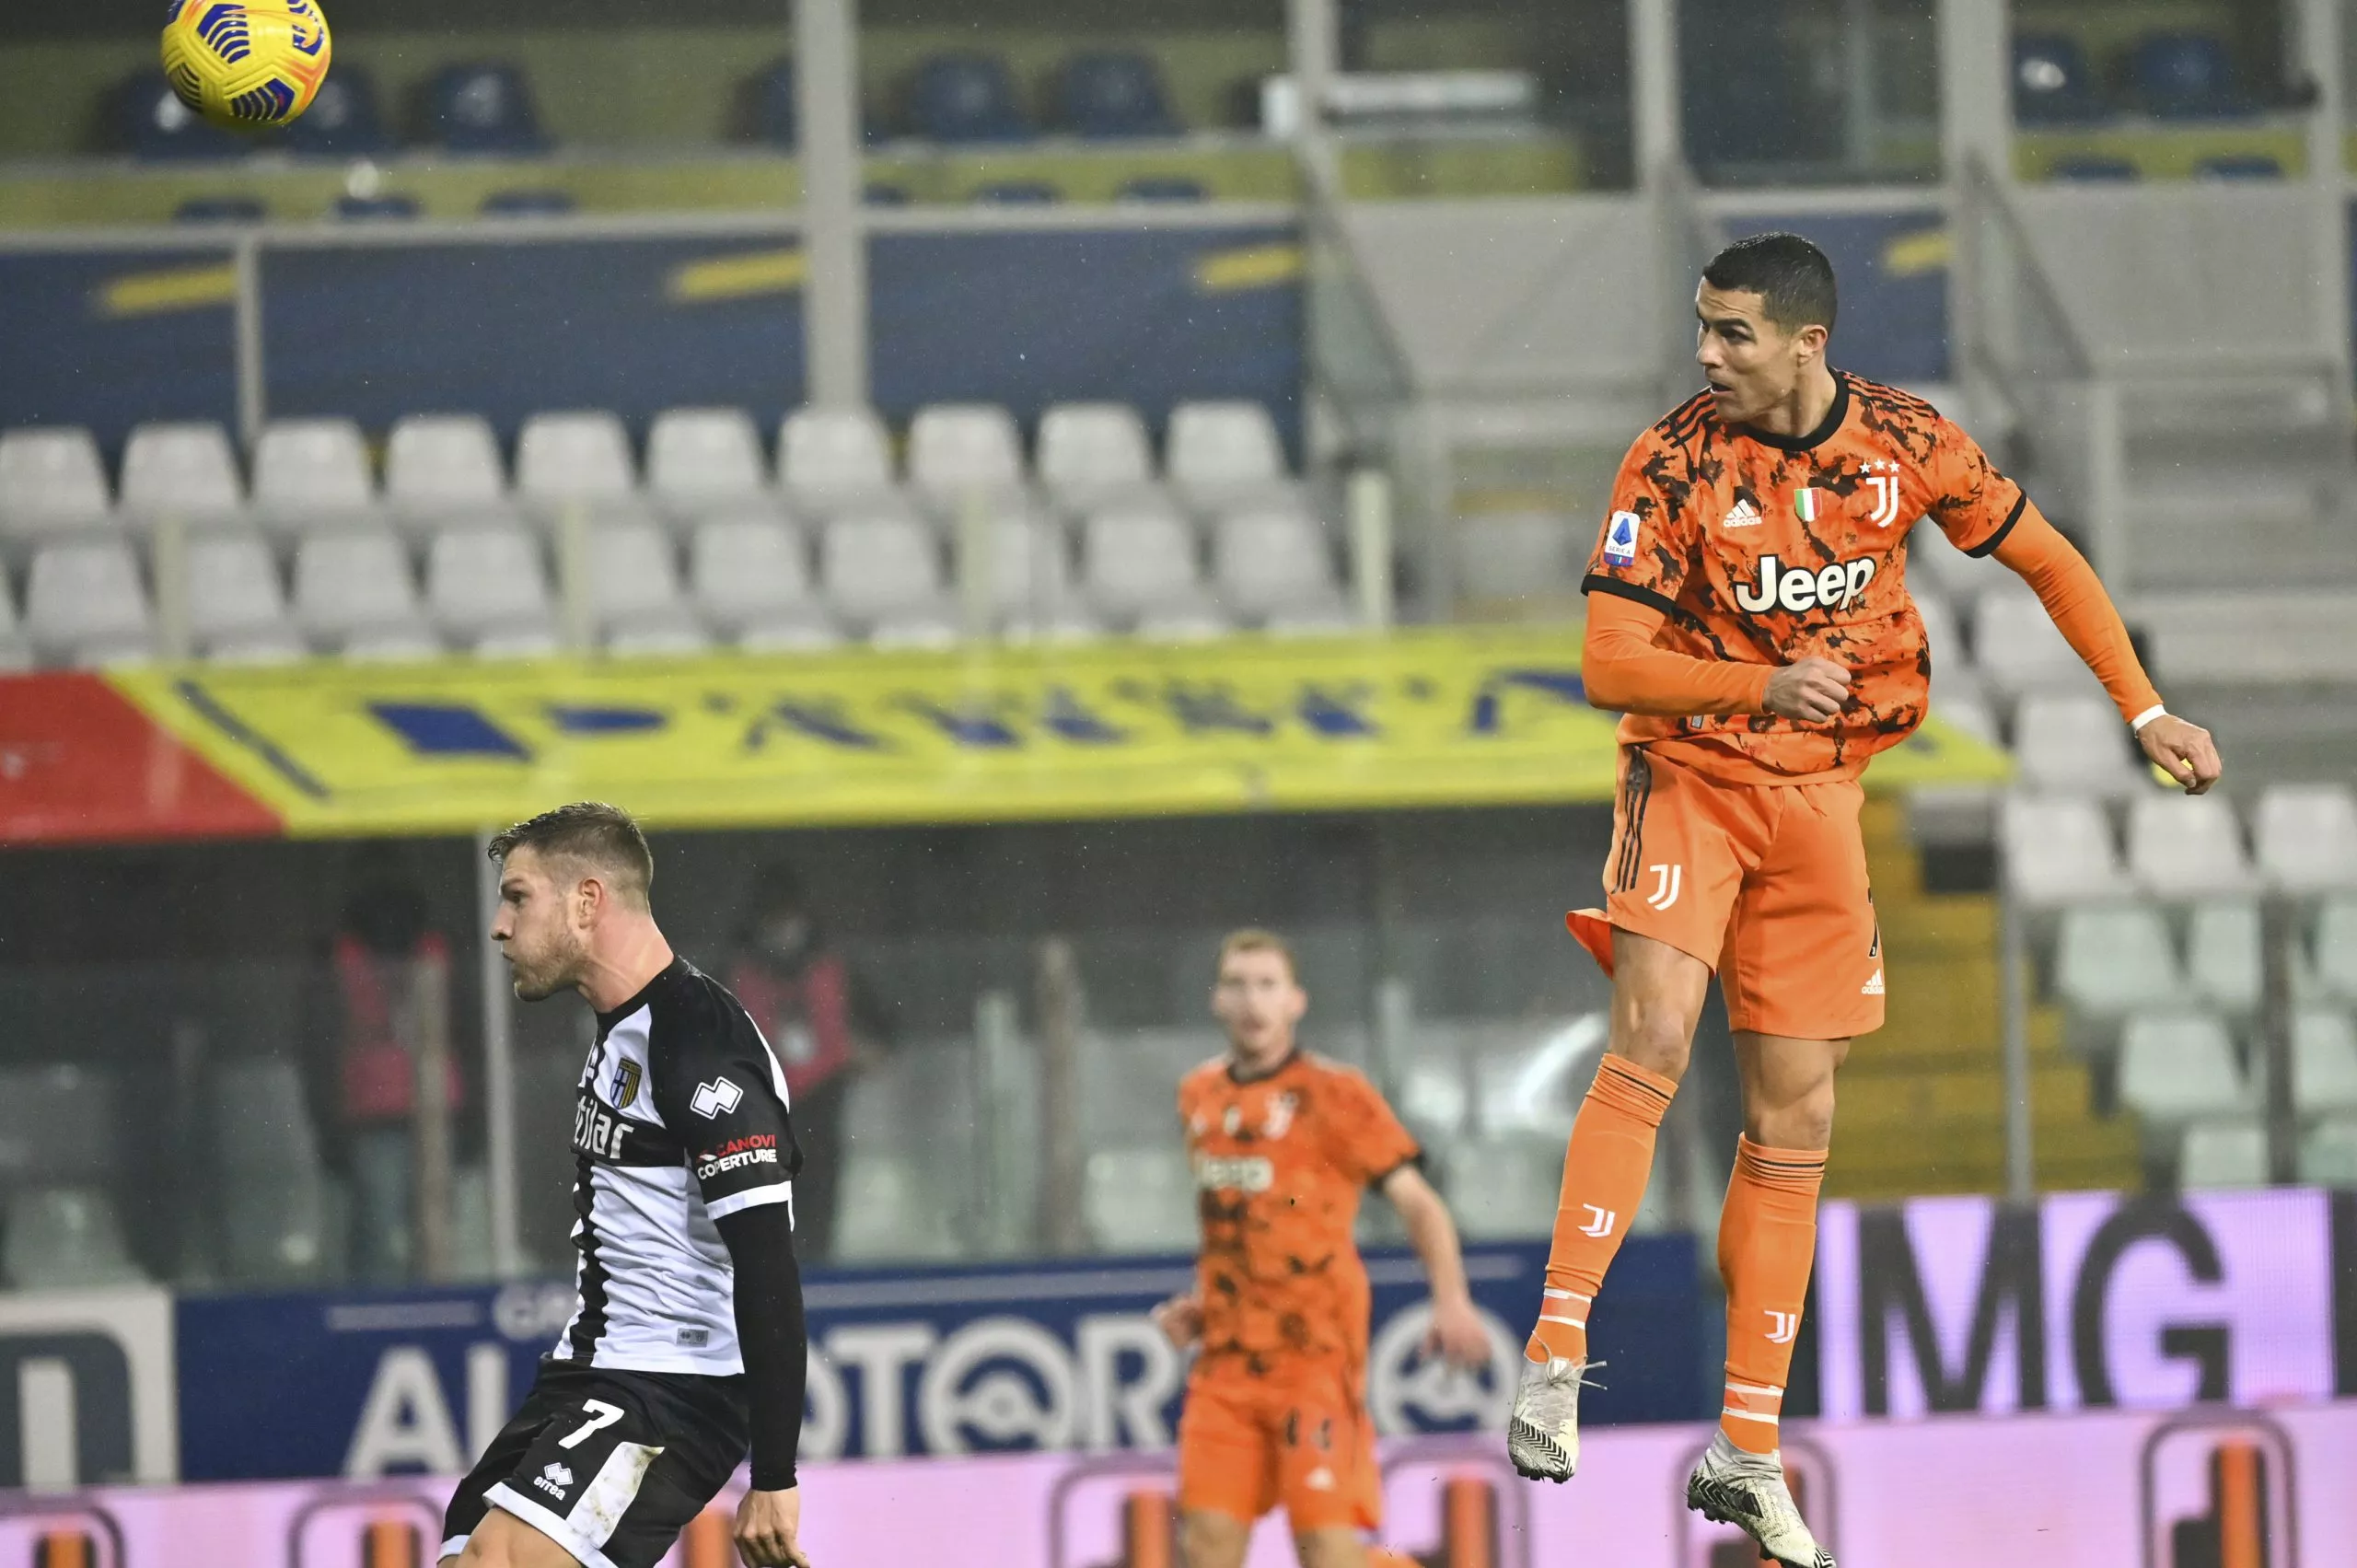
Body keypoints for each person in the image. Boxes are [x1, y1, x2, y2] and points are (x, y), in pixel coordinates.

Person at [1503, 233, 2223, 1567]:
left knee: (1800, 1109)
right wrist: (1754, 686)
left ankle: (1748, 1448)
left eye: (1730, 333)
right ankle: (1555, 1349)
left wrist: (2146, 705)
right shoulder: (1669, 461)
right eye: (1701, 329)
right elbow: (1611, 661)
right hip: (1697, 774)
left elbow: (2048, 558)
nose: (1705, 353)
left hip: (1826, 792)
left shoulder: (1905, 443)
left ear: (1805, 343)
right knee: (1654, 1028)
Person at [443, 803, 813, 1568]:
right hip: (590, 1368)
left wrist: (774, 1474)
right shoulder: (626, 1029)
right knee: (461, 1545)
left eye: (518, 897)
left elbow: (768, 1265)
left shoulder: (700, 1045)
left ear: (587, 901)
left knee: (496, 1559)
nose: (499, 927)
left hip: (675, 1385)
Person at [1152, 929, 1492, 1568]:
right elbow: (1242, 1222)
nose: (1252, 1000)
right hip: (1225, 1366)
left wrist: (1452, 1299)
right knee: (1205, 1551)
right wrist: (1204, 1304)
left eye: (1267, 984)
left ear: (1295, 1001)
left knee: (1328, 1555)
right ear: (1215, 1000)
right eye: (1237, 984)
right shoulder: (1199, 1096)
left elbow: (1420, 1203)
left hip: (1314, 1360)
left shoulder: (1335, 1094)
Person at [726, 865, 891, 1264]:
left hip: (821, 1120)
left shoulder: (835, 972)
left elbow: (885, 1034)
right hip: (755, 1130)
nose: (783, 931)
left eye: (787, 918)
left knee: (817, 1226)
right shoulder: (733, 976)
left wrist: (858, 1053)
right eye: (773, 920)